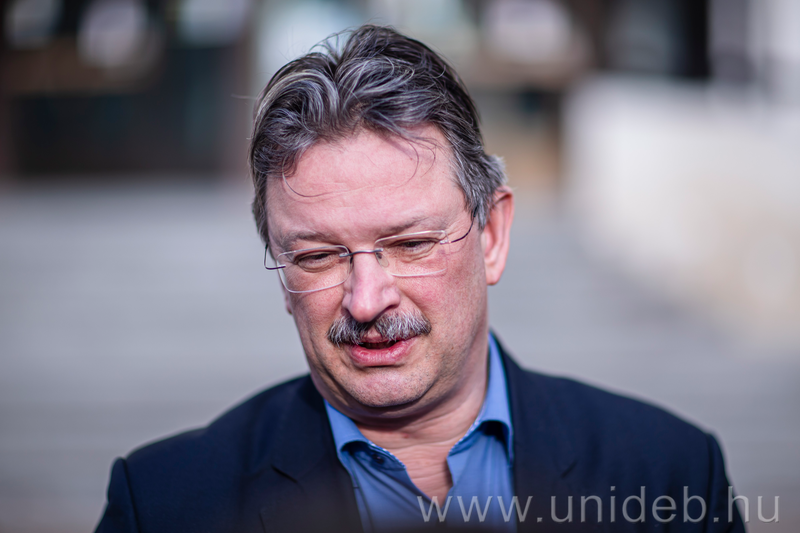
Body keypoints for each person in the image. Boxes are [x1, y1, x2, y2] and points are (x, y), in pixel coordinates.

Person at [95, 25, 745, 533]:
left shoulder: (671, 474)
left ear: (492, 235)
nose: (366, 299)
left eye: (410, 244)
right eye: (318, 256)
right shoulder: (164, 504)